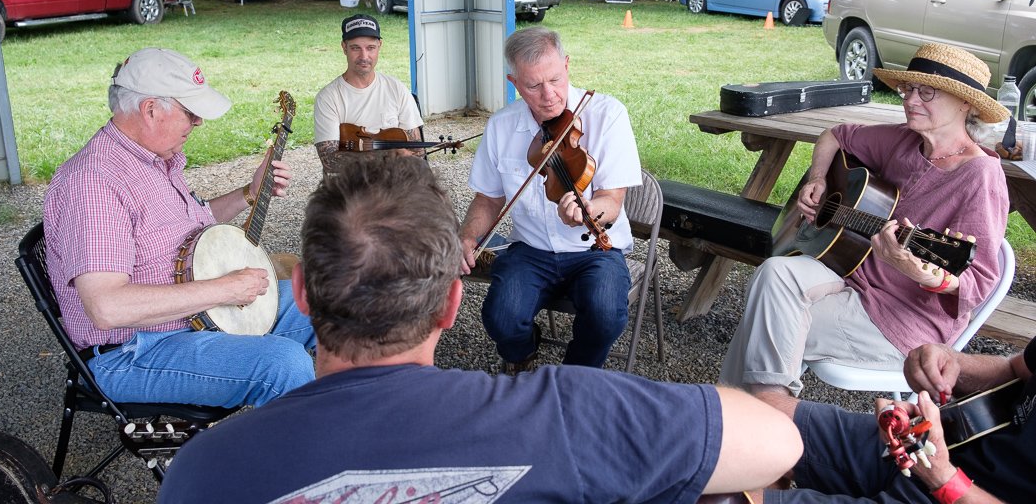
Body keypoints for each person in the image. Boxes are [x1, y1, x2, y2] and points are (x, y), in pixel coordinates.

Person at [158, 156, 804, 504]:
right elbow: (778, 442)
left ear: (298, 290)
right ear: (450, 305)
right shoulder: (568, 412)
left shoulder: (204, 469)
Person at [720, 42, 1009, 398]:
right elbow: (834, 135)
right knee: (773, 273)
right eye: (908, 89)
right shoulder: (903, 140)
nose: (910, 100)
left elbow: (977, 283)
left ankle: (743, 419)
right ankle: (747, 418)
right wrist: (819, 179)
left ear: (965, 103)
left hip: (902, 321)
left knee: (766, 320)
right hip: (850, 272)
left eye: (927, 92)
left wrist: (914, 269)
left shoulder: (979, 176)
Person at [43, 47, 316, 408]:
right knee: (283, 364)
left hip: (199, 318)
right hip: (137, 351)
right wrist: (223, 289)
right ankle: (318, 459)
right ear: (151, 109)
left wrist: (248, 194)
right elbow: (108, 307)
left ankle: (369, 423)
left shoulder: (153, 159)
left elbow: (188, 233)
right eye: (191, 112)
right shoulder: (94, 184)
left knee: (341, 303)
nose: (199, 122)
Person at [458, 26, 641, 372]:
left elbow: (611, 200)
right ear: (514, 83)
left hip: (595, 252)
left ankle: (573, 375)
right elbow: (488, 199)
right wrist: (467, 239)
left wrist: (589, 212)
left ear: (567, 65)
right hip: (531, 249)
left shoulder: (607, 115)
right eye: (533, 86)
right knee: (500, 317)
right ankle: (524, 355)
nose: (549, 95)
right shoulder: (501, 126)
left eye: (555, 79)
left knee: (605, 316)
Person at [743, 337, 1036, 503]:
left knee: (733, 499)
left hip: (957, 489)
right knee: (758, 417)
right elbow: (1015, 368)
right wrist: (953, 364)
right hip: (932, 448)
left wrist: (943, 478)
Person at [313, 13, 424, 176]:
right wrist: (386, 155)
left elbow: (419, 152)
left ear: (380, 45)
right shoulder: (328, 97)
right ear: (344, 47)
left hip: (395, 180)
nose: (364, 56)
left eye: (370, 48)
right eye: (355, 48)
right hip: (351, 184)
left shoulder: (396, 88)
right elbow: (330, 162)